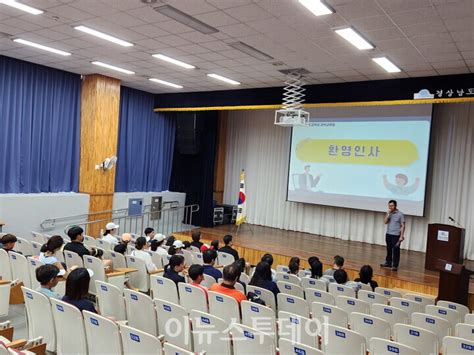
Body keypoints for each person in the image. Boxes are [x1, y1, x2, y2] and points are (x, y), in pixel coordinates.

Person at [381, 200, 405, 271]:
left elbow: (403, 226)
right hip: (388, 234)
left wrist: (401, 236)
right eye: (389, 206)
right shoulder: (389, 213)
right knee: (389, 249)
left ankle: (395, 265)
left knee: (396, 250)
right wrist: (387, 215)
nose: (390, 207)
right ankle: (388, 262)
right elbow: (385, 222)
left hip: (396, 235)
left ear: (395, 206)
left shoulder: (400, 214)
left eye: (392, 206)